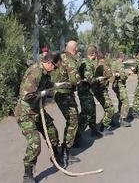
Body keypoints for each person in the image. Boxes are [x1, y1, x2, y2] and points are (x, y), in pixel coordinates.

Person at [14, 52, 70, 183]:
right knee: (35, 143)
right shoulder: (35, 72)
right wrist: (43, 93)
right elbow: (27, 95)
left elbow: (48, 83)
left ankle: (55, 155)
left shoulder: (45, 73)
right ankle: (27, 174)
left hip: (37, 110)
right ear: (49, 63)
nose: (55, 70)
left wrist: (59, 85)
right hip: (25, 112)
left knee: (52, 131)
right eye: (55, 67)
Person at [54, 40, 81, 167]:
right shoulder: (70, 60)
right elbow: (74, 80)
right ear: (74, 50)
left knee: (71, 119)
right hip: (65, 94)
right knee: (73, 120)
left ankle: (65, 146)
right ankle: (66, 152)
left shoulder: (60, 56)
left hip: (58, 93)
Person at [75, 45, 105, 143]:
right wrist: (99, 79)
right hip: (84, 90)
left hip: (86, 90)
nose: (96, 56)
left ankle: (93, 129)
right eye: (96, 54)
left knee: (92, 109)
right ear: (93, 54)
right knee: (86, 113)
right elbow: (90, 80)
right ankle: (76, 137)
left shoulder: (83, 60)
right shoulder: (87, 63)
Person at [93, 51, 115, 133]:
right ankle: (104, 127)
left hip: (95, 90)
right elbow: (112, 79)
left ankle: (110, 121)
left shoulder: (94, 65)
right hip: (101, 90)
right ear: (104, 58)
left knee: (106, 107)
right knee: (110, 108)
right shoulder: (105, 66)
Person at [111, 52, 131, 127]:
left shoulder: (114, 63)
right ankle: (123, 119)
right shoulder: (119, 63)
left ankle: (120, 113)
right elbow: (122, 76)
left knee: (120, 99)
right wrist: (127, 74)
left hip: (115, 85)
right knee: (125, 101)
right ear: (122, 57)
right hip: (119, 85)